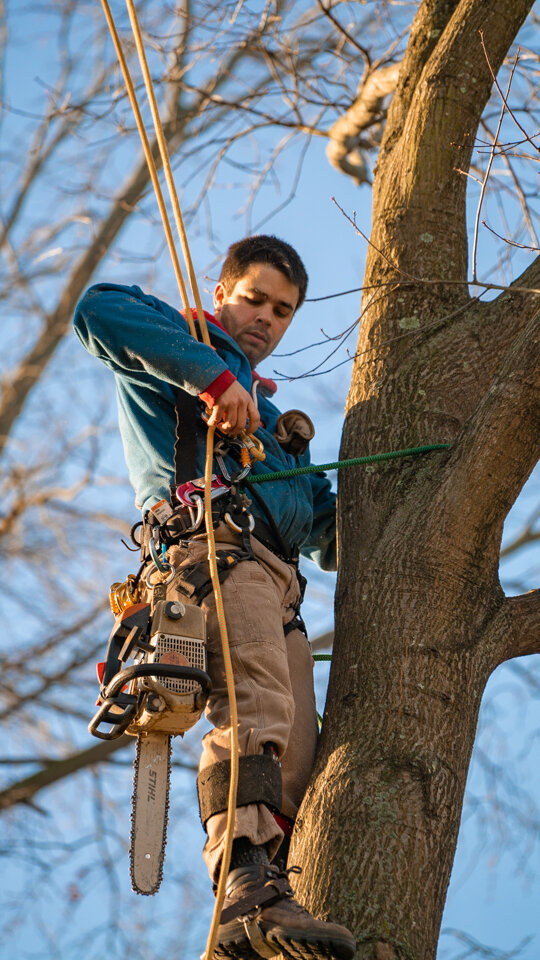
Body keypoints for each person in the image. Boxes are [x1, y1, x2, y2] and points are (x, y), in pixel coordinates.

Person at [74, 235, 355, 960]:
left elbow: (327, 531)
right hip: (213, 552)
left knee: (297, 757)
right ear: (225, 289)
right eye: (254, 298)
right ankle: (243, 890)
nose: (265, 318)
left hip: (279, 588)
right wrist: (210, 379)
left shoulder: (282, 441)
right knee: (256, 705)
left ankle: (273, 896)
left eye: (283, 311)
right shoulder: (176, 346)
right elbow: (98, 311)